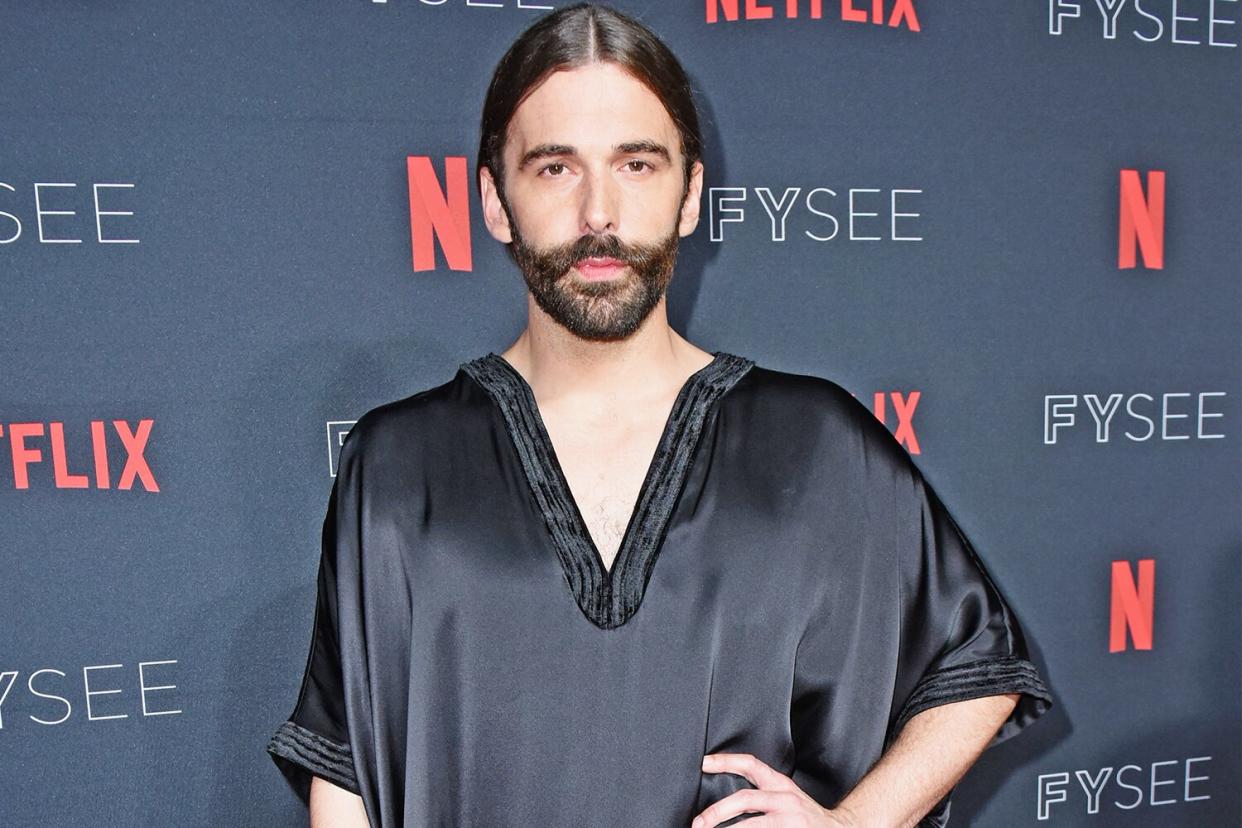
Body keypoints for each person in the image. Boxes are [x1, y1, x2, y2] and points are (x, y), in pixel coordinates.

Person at [266, 4, 1052, 826]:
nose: (599, 213)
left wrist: (854, 824)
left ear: (690, 195)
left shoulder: (814, 442)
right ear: (495, 201)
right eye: (555, 168)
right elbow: (348, 768)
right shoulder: (396, 462)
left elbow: (977, 670)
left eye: (637, 165)